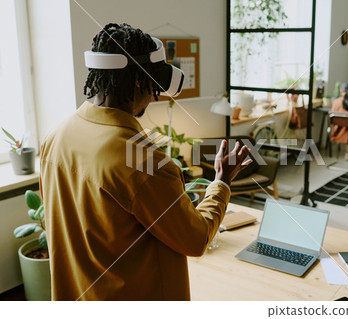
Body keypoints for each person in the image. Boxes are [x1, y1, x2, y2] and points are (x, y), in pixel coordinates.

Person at [39, 23, 251, 301]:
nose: (154, 97)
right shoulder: (143, 161)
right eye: (154, 85)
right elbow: (196, 239)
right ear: (140, 82)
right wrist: (221, 183)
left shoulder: (55, 137)